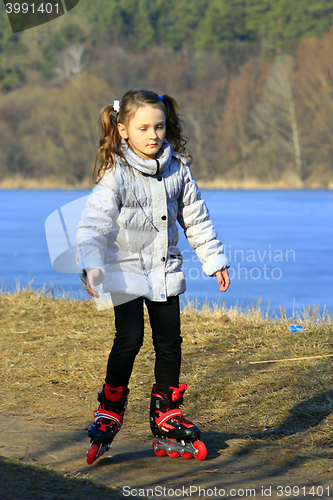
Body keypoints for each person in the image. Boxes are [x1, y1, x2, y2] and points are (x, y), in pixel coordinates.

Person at [76, 89, 230, 460]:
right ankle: (110, 407)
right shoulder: (117, 173)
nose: (153, 135)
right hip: (123, 270)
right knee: (129, 338)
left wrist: (215, 260)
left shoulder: (178, 169)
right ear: (124, 130)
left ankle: (165, 413)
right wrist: (92, 264)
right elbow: (92, 225)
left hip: (165, 270)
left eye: (159, 126)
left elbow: (196, 219)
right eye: (143, 127)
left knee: (170, 342)